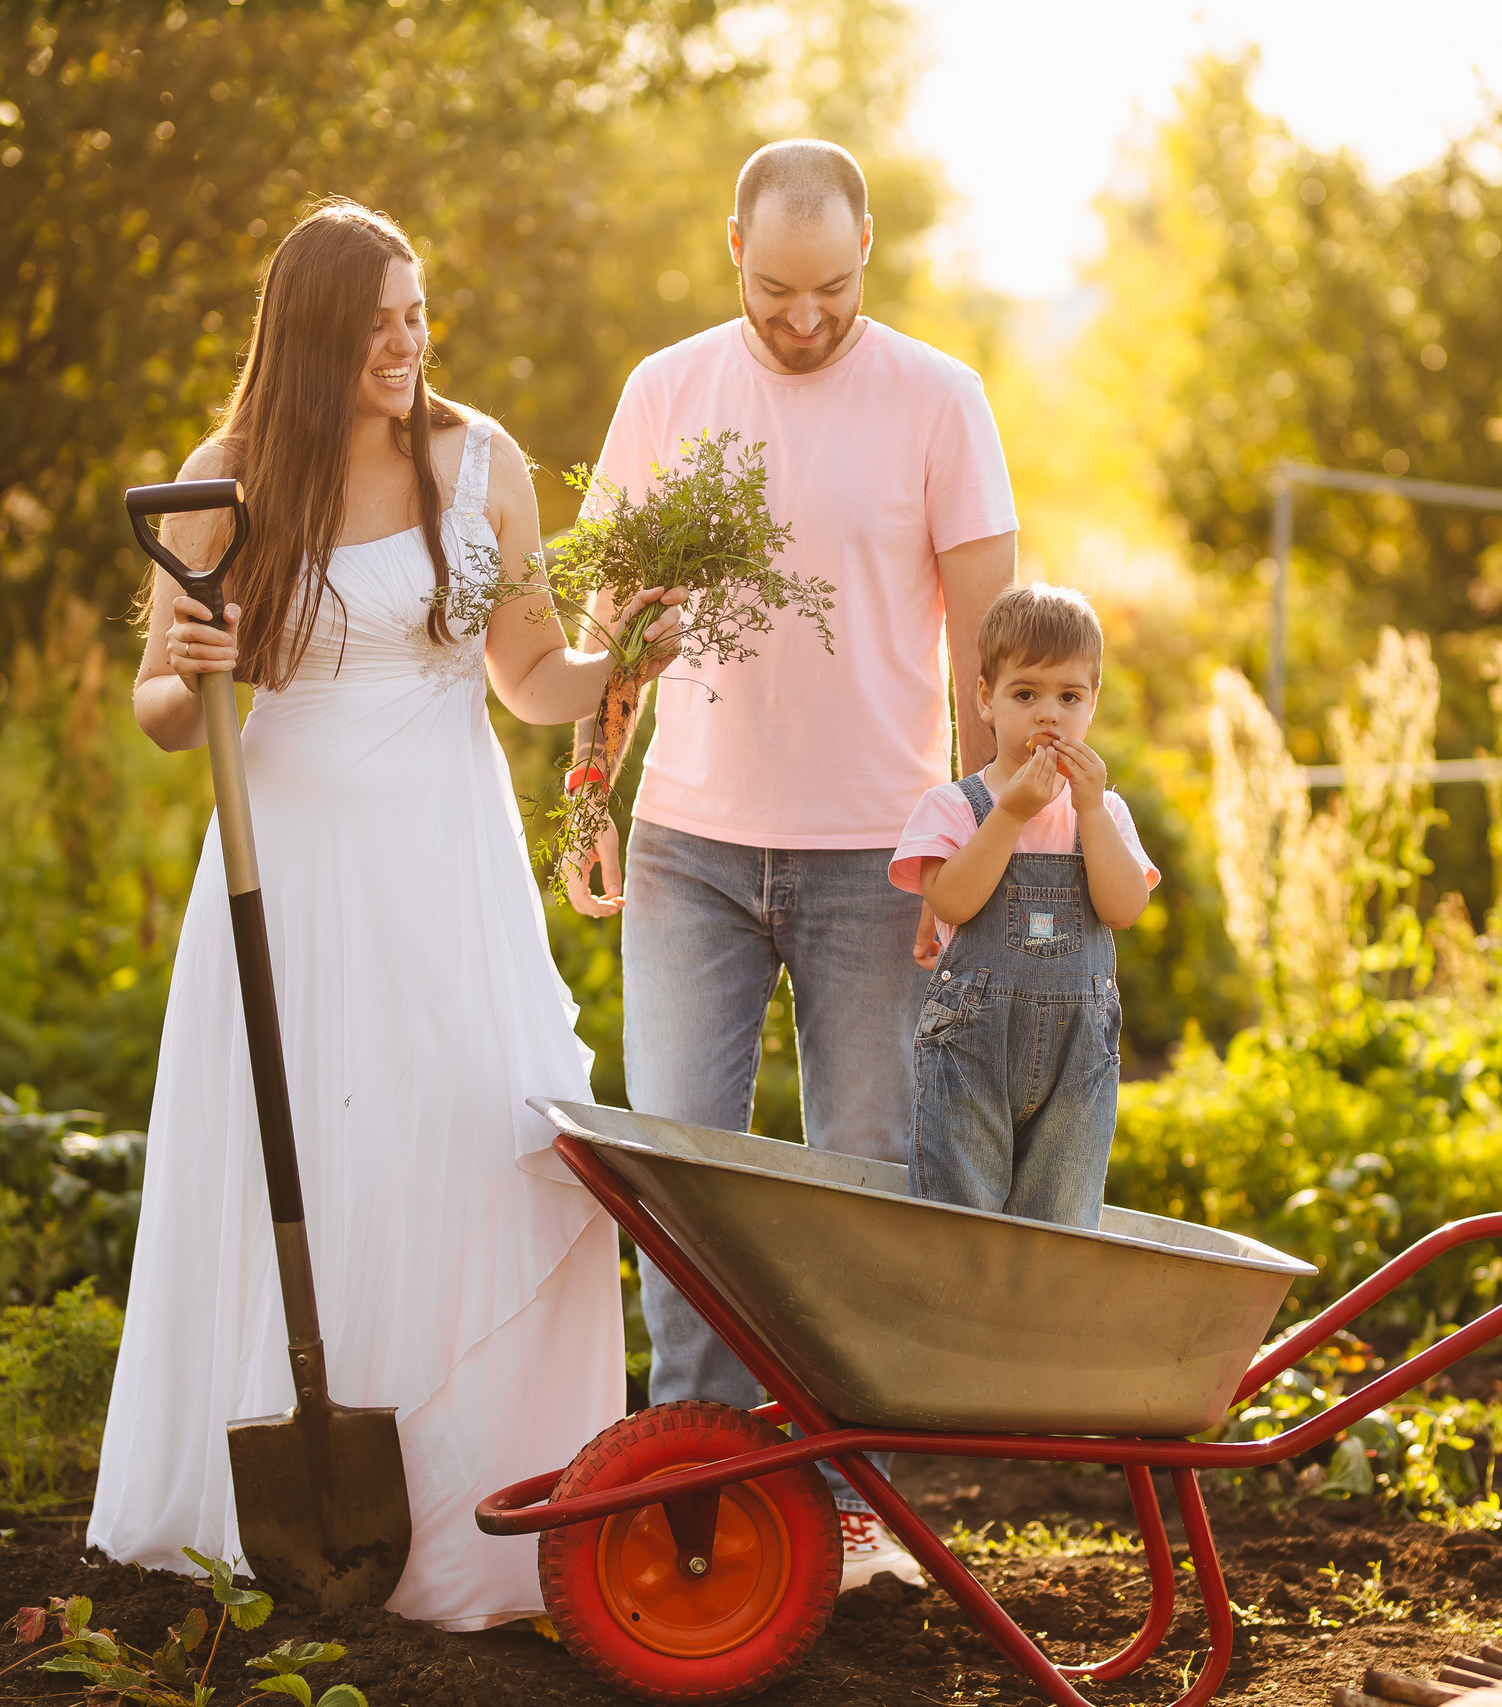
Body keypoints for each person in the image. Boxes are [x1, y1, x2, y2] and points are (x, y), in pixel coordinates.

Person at [91, 198, 682, 1630]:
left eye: (417, 314)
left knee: (485, 1132)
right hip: (282, 860)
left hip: (444, 857)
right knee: (300, 1157)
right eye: (374, 325)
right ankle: (281, 1508)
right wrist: (192, 662)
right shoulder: (228, 475)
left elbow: (529, 674)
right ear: (309, 334)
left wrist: (626, 660)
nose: (406, 344)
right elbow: (169, 710)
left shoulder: (477, 463)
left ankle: (480, 1518)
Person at [560, 139, 1017, 1589]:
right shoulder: (666, 390)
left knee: (855, 1188)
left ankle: (843, 1494)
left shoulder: (940, 399)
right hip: (692, 843)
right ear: (732, 251)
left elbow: (998, 665)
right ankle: (695, 1484)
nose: (802, 318)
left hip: (874, 861)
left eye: (829, 289)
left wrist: (973, 850)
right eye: (773, 289)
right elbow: (613, 623)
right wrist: (588, 787)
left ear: (868, 247)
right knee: (681, 1174)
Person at [892, 585, 1157, 1228]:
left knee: (1059, 1221)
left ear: (1093, 704)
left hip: (1077, 1063)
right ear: (986, 699)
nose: (1049, 716)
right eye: (1025, 694)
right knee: (962, 1217)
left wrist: (1090, 808)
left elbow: (1122, 909)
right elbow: (951, 899)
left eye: (1069, 697)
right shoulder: (957, 807)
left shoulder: (1104, 812)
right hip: (971, 1056)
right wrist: (1011, 813)